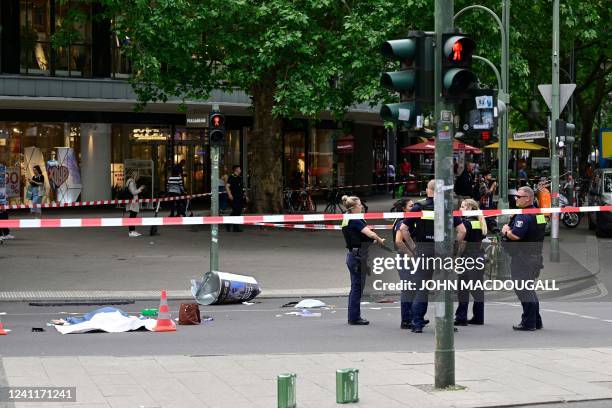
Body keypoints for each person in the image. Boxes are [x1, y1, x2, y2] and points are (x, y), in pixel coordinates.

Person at [501, 186, 545, 331]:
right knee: (529, 289)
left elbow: (516, 235)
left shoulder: (524, 215)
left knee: (523, 289)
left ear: (527, 198)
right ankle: (536, 320)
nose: (515, 198)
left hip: (523, 258)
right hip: (535, 256)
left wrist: (506, 231)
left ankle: (528, 322)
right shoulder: (537, 213)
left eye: (518, 197)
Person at [341, 195, 386, 325]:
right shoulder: (355, 219)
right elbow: (369, 233)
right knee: (357, 288)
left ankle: (353, 316)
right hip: (358, 256)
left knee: (355, 286)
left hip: (353, 255)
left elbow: (357, 235)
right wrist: (379, 239)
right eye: (360, 205)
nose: (362, 207)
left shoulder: (347, 217)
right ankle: (354, 317)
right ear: (354, 207)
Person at [401, 179, 436, 333]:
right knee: (445, 288)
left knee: (422, 287)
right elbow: (461, 230)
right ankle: (446, 323)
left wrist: (414, 246)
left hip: (423, 249)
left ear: (428, 190)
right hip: (442, 250)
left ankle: (417, 323)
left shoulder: (419, 206)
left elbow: (403, 228)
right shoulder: (447, 206)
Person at [454, 199, 487, 326]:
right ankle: (479, 317)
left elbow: (463, 243)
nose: (460, 209)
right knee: (477, 288)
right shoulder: (480, 222)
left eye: (463, 207)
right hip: (479, 256)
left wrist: (456, 255)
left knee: (463, 288)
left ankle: (461, 317)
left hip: (467, 257)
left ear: (470, 209)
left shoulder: (466, 224)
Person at [392, 198, 416, 329]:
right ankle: (406, 320)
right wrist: (410, 253)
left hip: (405, 258)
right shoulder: (402, 222)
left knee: (411, 288)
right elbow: (398, 241)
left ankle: (412, 316)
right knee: (408, 289)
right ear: (404, 209)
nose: (414, 208)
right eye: (411, 206)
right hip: (405, 259)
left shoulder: (402, 220)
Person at [226, 165, 246, 232]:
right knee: (235, 211)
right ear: (236, 170)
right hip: (234, 197)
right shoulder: (231, 177)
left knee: (238, 211)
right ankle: (229, 224)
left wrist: (245, 195)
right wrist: (229, 194)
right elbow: (227, 186)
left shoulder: (240, 177)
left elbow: (241, 188)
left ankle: (235, 227)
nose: (240, 170)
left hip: (240, 197)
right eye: (239, 169)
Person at [126, 170, 145, 237]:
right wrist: (140, 189)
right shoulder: (131, 182)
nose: (138, 177)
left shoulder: (131, 181)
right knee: (132, 216)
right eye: (138, 176)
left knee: (133, 216)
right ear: (135, 176)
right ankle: (131, 231)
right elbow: (133, 192)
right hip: (133, 202)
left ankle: (133, 231)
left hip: (133, 201)